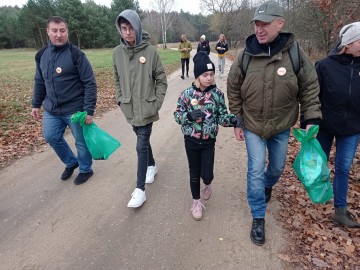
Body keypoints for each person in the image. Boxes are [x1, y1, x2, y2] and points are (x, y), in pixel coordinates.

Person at [227, 1, 322, 245]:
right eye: (257, 24)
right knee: (255, 170)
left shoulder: (294, 53)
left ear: (280, 23)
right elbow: (233, 86)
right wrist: (237, 118)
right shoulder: (246, 54)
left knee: (277, 167)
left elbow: (309, 86)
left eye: (265, 23)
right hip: (252, 125)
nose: (259, 28)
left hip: (281, 125)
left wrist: (310, 118)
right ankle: (258, 216)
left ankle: (269, 185)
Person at [174, 52, 243, 221]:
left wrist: (233, 120)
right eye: (205, 75)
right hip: (190, 139)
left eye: (212, 74)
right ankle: (196, 202)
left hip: (208, 140)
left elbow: (221, 116)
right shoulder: (186, 95)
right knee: (194, 172)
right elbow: (177, 115)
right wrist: (188, 117)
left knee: (207, 173)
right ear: (197, 76)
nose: (209, 78)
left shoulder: (217, 95)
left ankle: (208, 183)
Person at [31, 16, 97, 185]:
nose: (58, 35)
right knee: (51, 136)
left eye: (62, 31)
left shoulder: (76, 55)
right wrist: (36, 104)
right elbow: (40, 81)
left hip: (75, 110)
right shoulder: (41, 56)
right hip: (52, 110)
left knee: (81, 142)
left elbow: (89, 83)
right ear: (48, 32)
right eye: (54, 31)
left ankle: (85, 169)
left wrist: (88, 110)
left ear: (67, 32)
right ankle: (71, 162)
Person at [113, 10, 168, 208]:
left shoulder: (150, 51)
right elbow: (117, 79)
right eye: (124, 28)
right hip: (129, 109)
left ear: (137, 27)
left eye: (131, 28)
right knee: (141, 140)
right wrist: (120, 99)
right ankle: (151, 166)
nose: (127, 33)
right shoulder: (117, 53)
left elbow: (161, 80)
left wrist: (156, 103)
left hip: (147, 108)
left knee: (140, 145)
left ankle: (140, 190)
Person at [315, 22, 360, 228]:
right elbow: (313, 97)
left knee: (343, 168)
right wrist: (310, 122)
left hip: (352, 127)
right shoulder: (325, 66)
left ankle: (340, 210)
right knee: (318, 162)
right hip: (326, 125)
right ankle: (318, 192)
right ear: (348, 43)